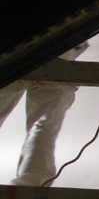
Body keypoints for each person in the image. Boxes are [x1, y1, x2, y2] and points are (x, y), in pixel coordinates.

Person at [0, 41, 88, 186]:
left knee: (43, 128)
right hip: (58, 53)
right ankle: (28, 193)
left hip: (13, 52)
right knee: (43, 128)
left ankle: (28, 193)